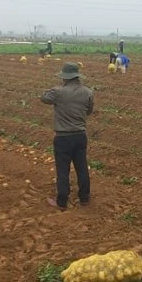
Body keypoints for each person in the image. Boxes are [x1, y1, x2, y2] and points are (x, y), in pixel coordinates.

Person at [41, 62, 94, 211]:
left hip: (63, 137)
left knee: (63, 169)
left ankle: (62, 201)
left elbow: (43, 98)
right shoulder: (87, 92)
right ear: (77, 76)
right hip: (80, 136)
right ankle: (84, 198)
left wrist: (57, 90)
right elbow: (89, 111)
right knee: (82, 167)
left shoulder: (58, 92)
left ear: (65, 77)